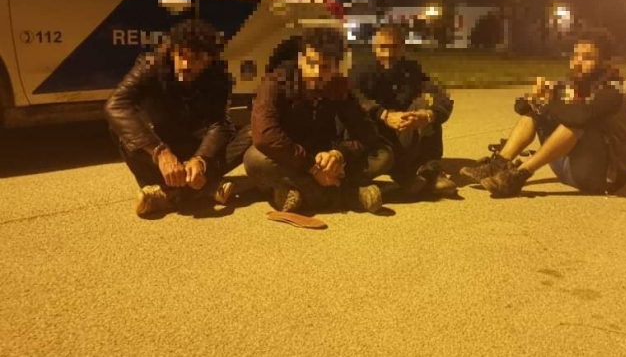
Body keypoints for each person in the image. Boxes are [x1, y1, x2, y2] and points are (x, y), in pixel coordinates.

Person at [460, 31, 626, 197]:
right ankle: (497, 165)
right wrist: (534, 97)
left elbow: (579, 116)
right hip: (569, 170)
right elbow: (520, 107)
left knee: (574, 120)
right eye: (576, 55)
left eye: (587, 58)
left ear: (603, 63)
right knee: (536, 113)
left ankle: (518, 176)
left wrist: (548, 100)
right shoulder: (572, 85)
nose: (578, 62)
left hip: (603, 175)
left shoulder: (613, 90)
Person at [105, 19, 253, 217]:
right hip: (159, 149)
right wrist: (159, 151)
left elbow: (220, 124)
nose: (185, 65)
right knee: (121, 128)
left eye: (196, 59)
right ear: (171, 51)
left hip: (194, 145)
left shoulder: (218, 76)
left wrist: (201, 159)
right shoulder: (151, 65)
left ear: (209, 60)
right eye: (181, 55)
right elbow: (116, 104)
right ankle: (203, 187)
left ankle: (170, 195)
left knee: (252, 132)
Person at [243, 26, 393, 216]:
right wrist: (311, 167)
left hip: (324, 156)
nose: (315, 72)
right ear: (301, 59)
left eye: (325, 67)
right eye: (311, 63)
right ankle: (346, 195)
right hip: (289, 156)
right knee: (255, 158)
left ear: (336, 67)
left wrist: (339, 154)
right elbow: (265, 135)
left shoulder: (338, 85)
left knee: (383, 155)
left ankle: (296, 193)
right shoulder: (275, 82)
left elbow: (367, 132)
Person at [349, 23, 456, 197]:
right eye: (383, 47)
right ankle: (355, 183)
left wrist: (429, 115)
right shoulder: (360, 72)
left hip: (402, 132)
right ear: (374, 48)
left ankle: (430, 171)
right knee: (382, 159)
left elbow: (440, 95)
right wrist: (384, 115)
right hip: (372, 138)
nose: (388, 53)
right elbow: (353, 100)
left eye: (394, 47)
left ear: (403, 48)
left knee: (424, 105)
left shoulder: (411, 70)